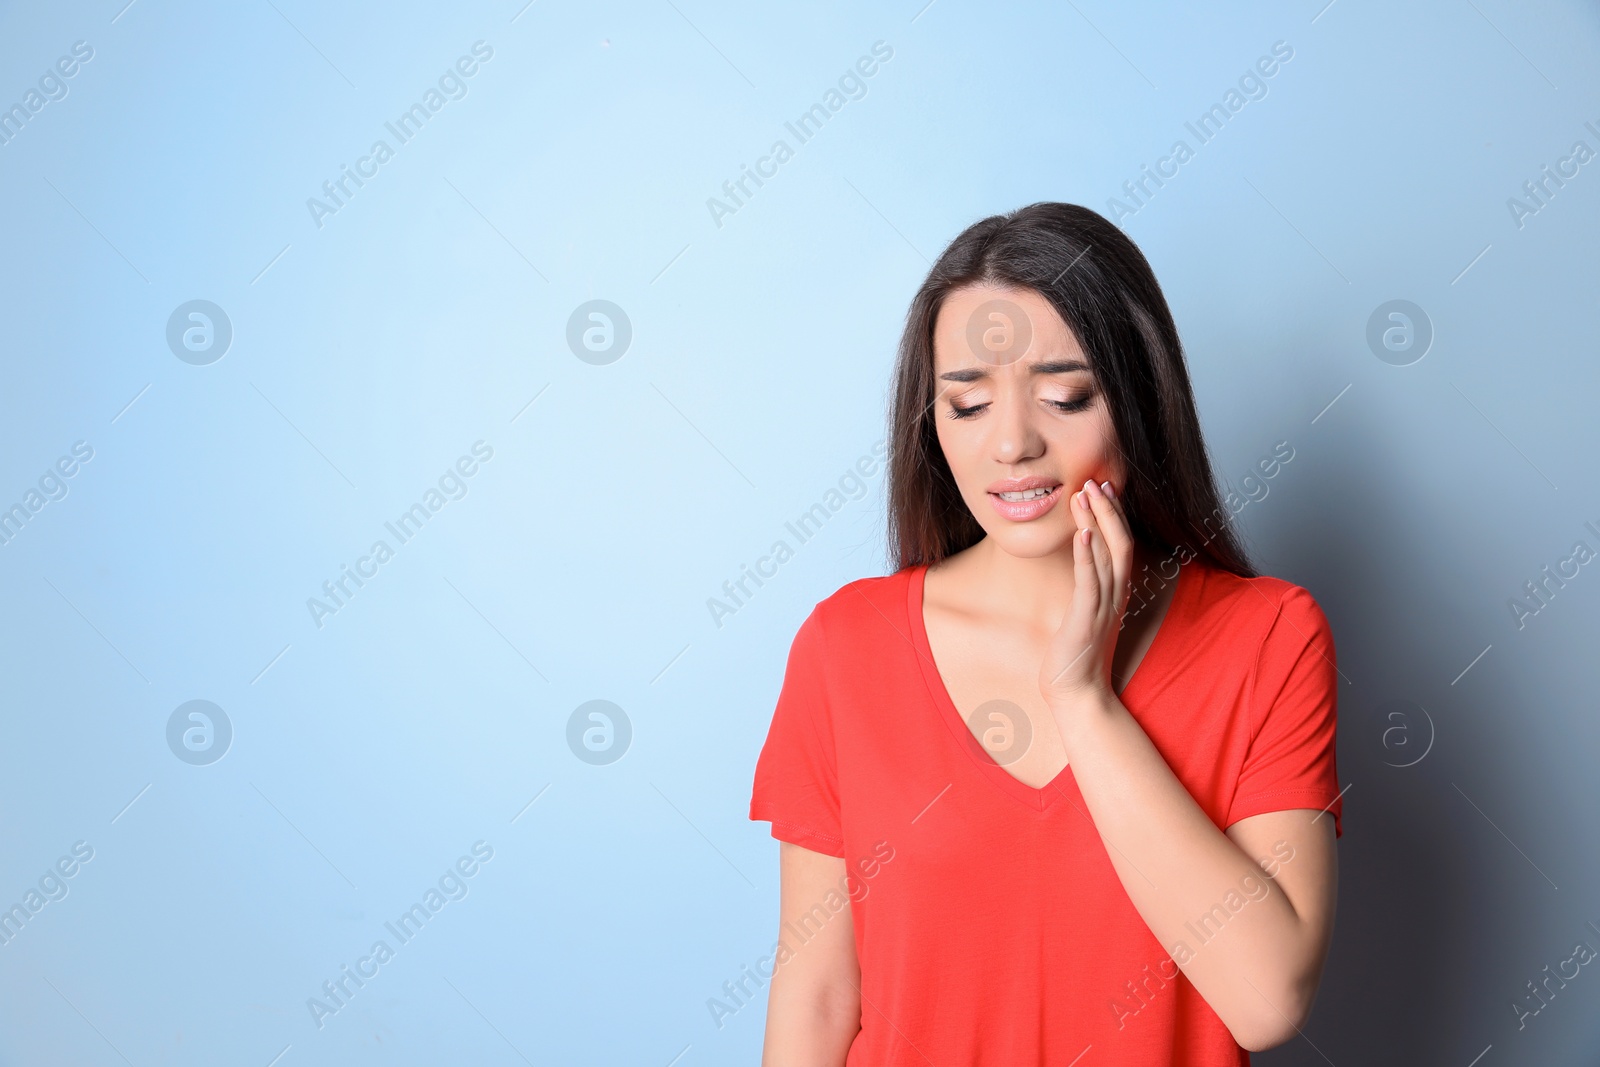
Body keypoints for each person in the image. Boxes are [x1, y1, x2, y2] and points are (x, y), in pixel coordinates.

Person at [748, 202, 1342, 1065]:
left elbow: (1265, 998)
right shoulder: (848, 647)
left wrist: (1082, 698)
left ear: (1139, 400)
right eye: (969, 403)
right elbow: (817, 995)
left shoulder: (1269, 637)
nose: (1014, 442)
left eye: (1065, 396)